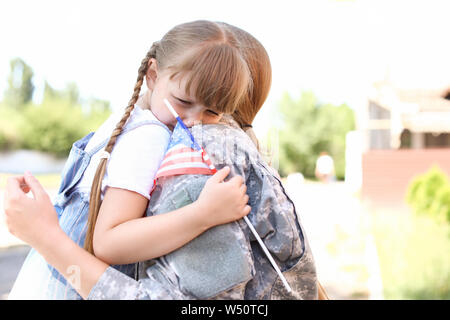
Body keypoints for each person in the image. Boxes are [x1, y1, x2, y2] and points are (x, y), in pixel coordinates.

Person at [5, 22, 320, 300]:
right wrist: (202, 214)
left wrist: (44, 236)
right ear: (153, 75)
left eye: (211, 112)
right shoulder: (150, 137)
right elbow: (109, 241)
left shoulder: (154, 130)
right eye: (184, 102)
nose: (194, 122)